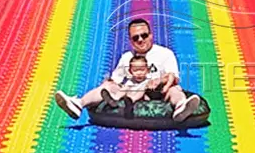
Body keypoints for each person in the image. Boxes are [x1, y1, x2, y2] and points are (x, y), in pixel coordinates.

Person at [54, 18, 200, 122]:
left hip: (158, 92)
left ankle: (181, 107)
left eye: (144, 35)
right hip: (132, 91)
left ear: (151, 35)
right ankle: (79, 104)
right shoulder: (126, 57)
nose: (141, 40)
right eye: (136, 38)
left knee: (175, 89)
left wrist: (159, 81)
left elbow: (173, 77)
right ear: (131, 41)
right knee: (108, 86)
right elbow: (115, 80)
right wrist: (108, 84)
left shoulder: (165, 53)